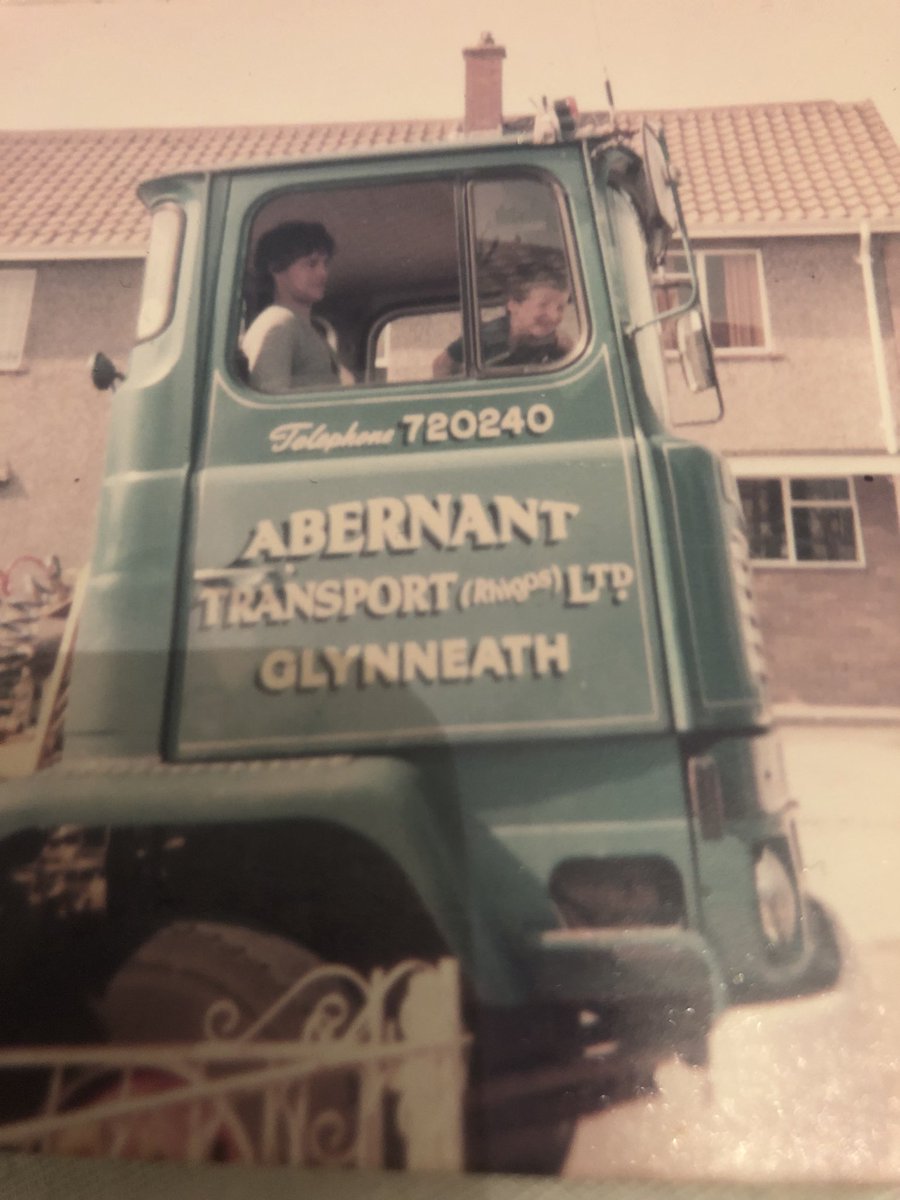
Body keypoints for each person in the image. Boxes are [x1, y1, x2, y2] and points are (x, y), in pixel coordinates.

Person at [241, 221, 345, 393]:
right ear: (276, 267)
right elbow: (270, 398)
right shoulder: (278, 323)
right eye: (311, 264)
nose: (323, 273)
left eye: (325, 264)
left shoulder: (306, 328)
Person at [432, 260, 573, 378]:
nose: (554, 316)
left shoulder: (558, 343)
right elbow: (441, 365)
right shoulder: (485, 337)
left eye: (560, 308)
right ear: (513, 305)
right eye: (543, 305)